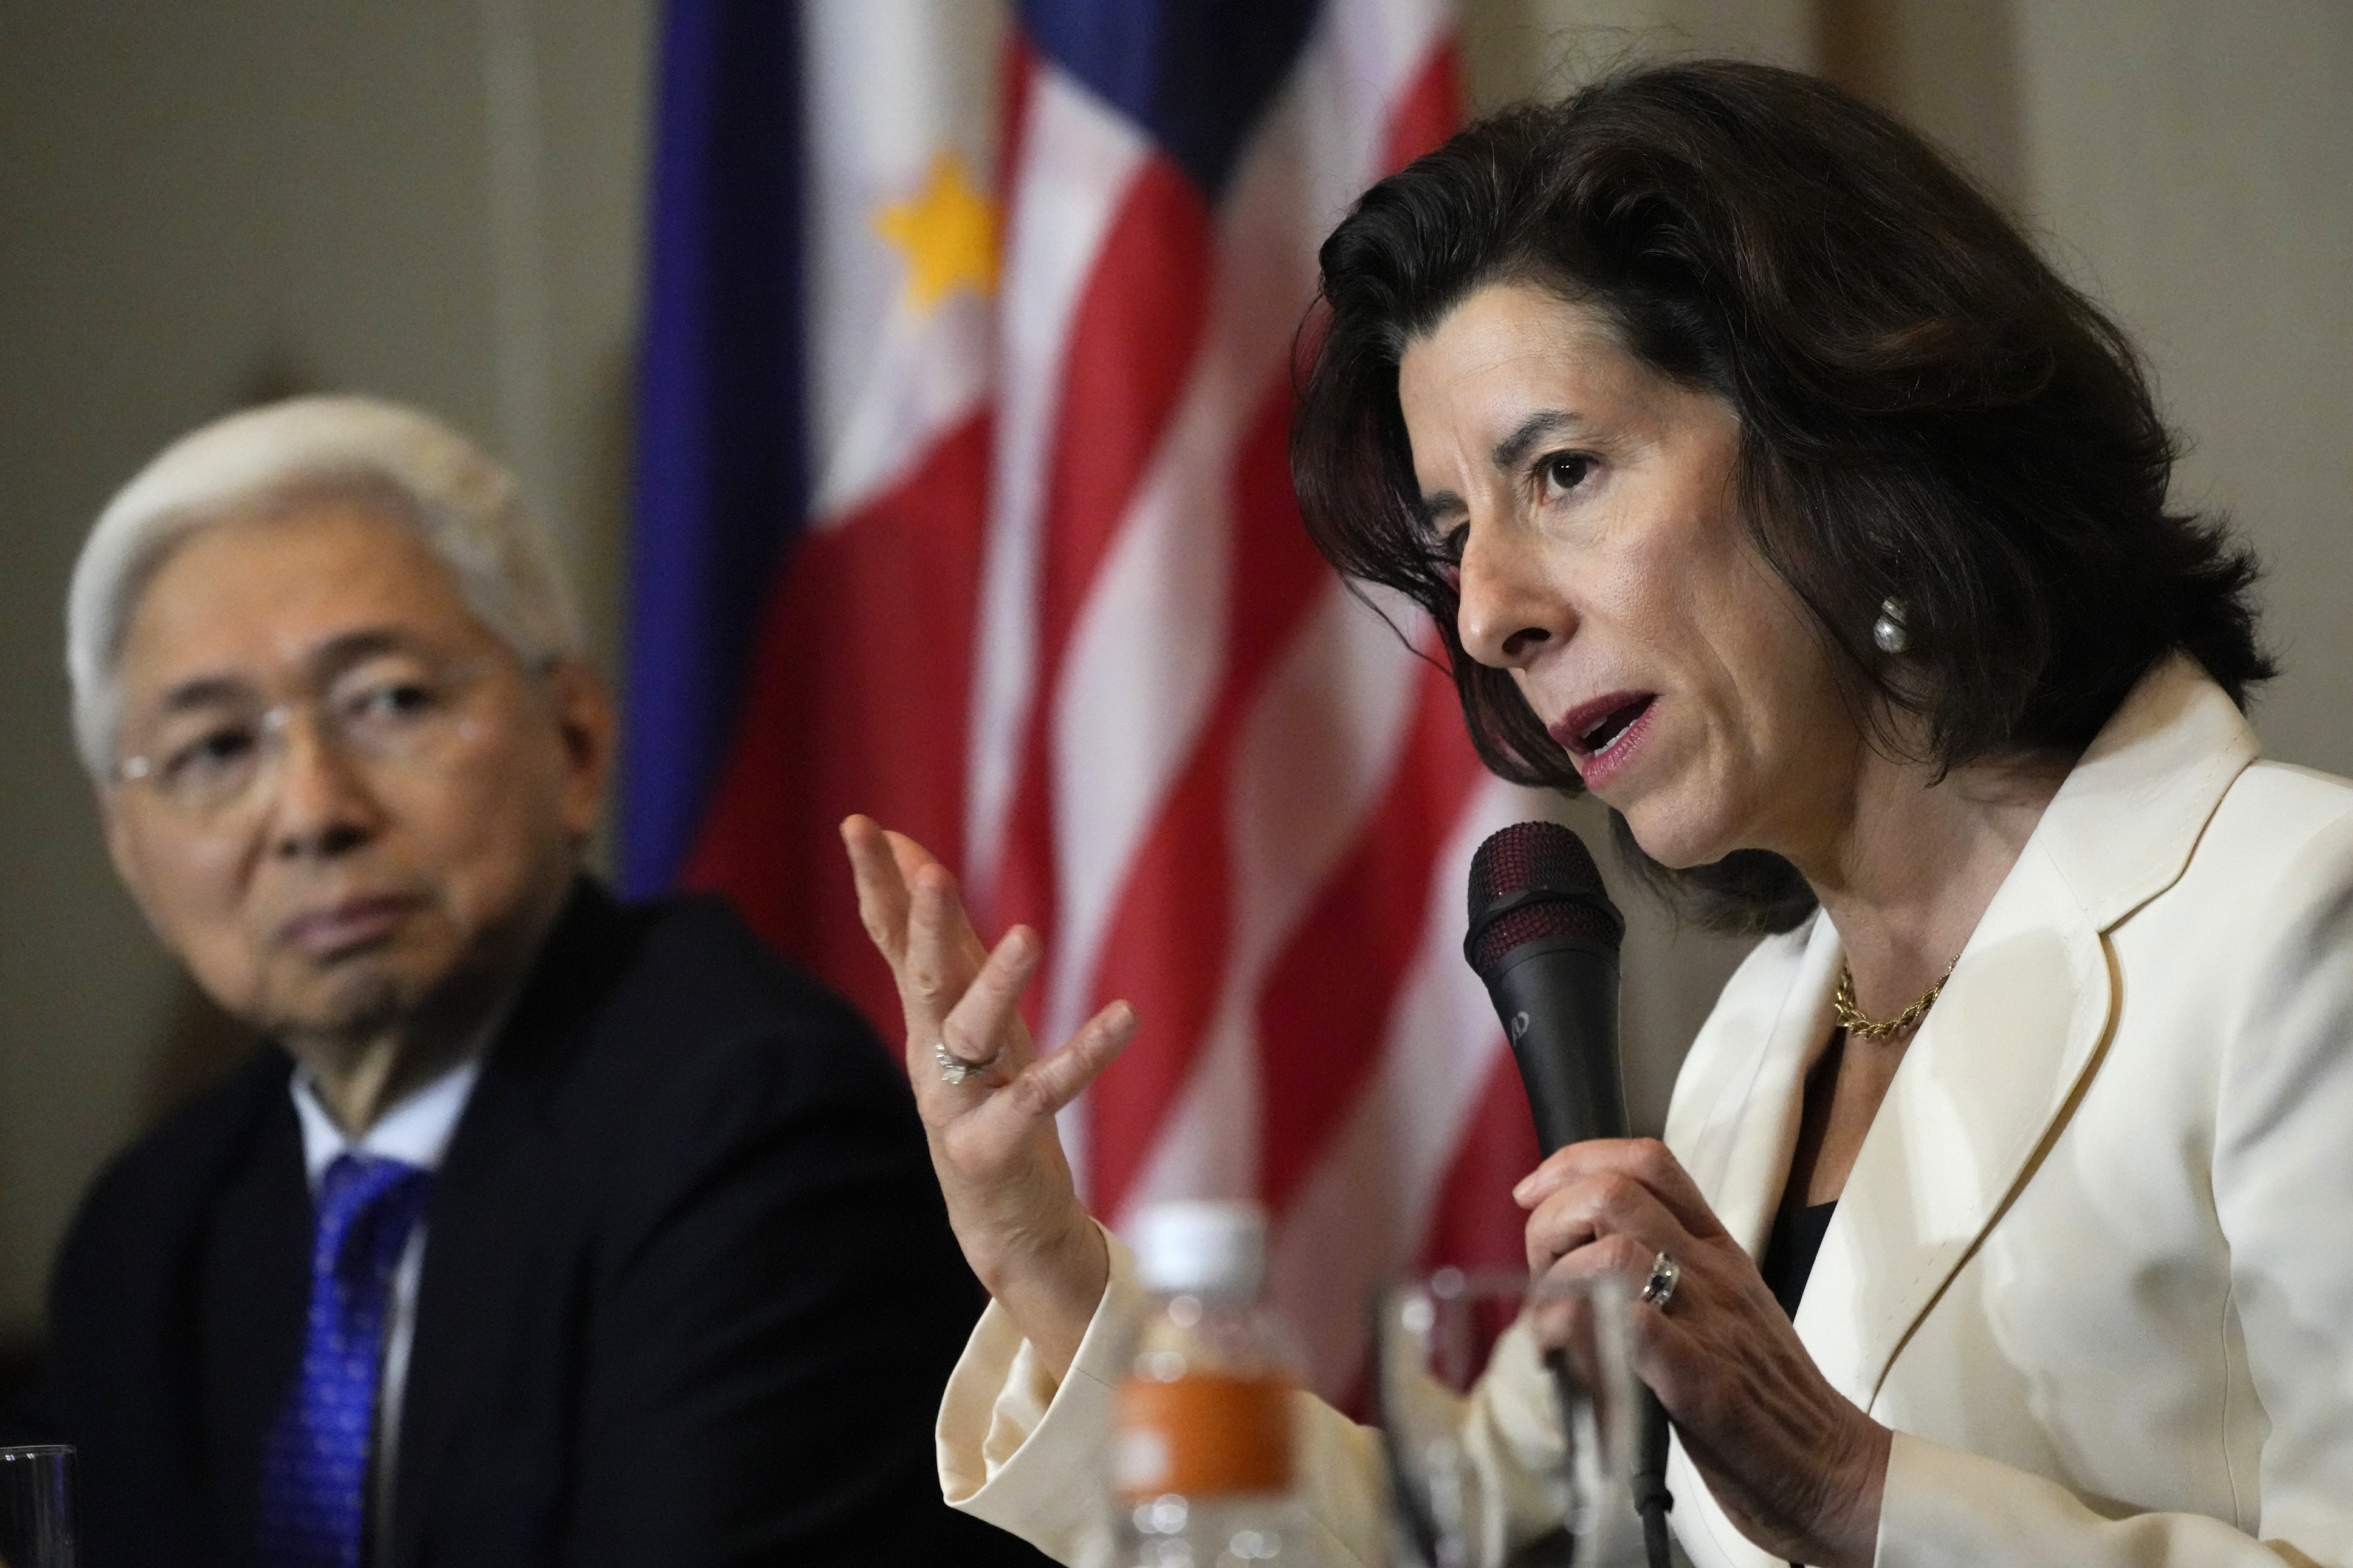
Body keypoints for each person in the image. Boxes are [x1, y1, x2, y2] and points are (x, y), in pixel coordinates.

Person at [842, 61, 2353, 1567]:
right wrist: (1054, 1278)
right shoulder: (1757, 1047)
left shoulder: (2293, 922)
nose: (1488, 612)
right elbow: (1431, 1537)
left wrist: (1857, 1491)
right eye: (1455, 540)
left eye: (1562, 472)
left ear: (1855, 445)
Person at [45, 395, 1052, 1568]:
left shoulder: (746, 1120)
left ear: (574, 740)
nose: (314, 811)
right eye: (217, 748)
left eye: (390, 702)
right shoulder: (155, 1226)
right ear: (129, 845)